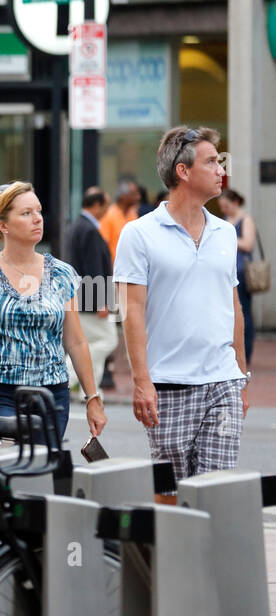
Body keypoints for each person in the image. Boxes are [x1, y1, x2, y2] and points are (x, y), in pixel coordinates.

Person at [114, 127, 249, 501]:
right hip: (168, 386)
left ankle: (209, 561)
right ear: (183, 172)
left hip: (223, 383)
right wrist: (142, 381)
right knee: (170, 497)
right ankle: (172, 560)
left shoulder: (225, 233)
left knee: (216, 495)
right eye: (211, 161)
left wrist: (242, 375)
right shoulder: (138, 234)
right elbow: (132, 311)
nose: (221, 169)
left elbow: (233, 306)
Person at [0, 181, 107, 445]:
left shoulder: (62, 273)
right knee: (0, 475)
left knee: (41, 476)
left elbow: (76, 341)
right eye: (26, 213)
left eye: (39, 211)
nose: (37, 219)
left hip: (51, 395)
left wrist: (92, 397)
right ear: (3, 225)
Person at [64, 187, 118, 392]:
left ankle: (92, 393)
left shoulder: (76, 227)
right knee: (108, 340)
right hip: (90, 300)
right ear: (96, 206)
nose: (107, 209)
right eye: (105, 205)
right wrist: (102, 301)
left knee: (86, 342)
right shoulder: (89, 230)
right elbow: (94, 268)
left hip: (80, 298)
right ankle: (68, 375)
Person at [218, 188, 258, 364]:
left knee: (243, 311)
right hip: (227, 269)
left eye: (226, 206)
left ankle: (246, 352)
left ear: (235, 203)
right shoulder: (227, 220)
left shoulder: (245, 219)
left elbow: (248, 244)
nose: (224, 210)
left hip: (241, 270)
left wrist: (228, 236)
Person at [100, 179, 140, 266]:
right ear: (123, 197)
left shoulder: (133, 214)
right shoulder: (108, 215)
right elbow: (104, 247)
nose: (138, 197)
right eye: (133, 194)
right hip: (114, 270)